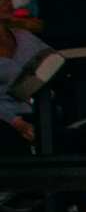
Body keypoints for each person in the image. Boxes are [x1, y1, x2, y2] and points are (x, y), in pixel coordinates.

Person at [0, 9, 50, 152]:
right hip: (5, 120)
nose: (5, 3)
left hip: (33, 113)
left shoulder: (25, 38)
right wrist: (14, 122)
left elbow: (55, 60)